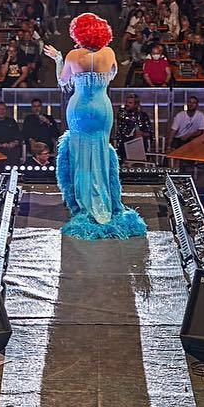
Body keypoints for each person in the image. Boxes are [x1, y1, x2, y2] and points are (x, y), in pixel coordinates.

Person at [43, 13, 147, 239]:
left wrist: (59, 59)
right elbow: (112, 74)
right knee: (100, 151)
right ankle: (105, 200)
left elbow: (63, 82)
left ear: (77, 33)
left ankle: (85, 204)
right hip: (102, 108)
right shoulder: (109, 53)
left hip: (80, 108)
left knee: (81, 156)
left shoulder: (73, 55)